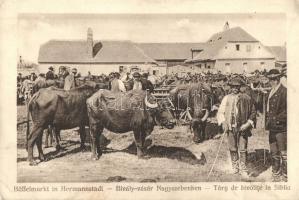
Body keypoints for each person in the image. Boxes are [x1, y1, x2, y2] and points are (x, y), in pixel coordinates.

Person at [217, 77, 256, 178]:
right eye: (233, 87)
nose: (235, 89)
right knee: (232, 148)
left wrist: (247, 124)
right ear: (230, 87)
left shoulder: (246, 98)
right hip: (230, 127)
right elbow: (220, 112)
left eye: (237, 87)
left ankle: (243, 169)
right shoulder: (226, 98)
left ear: (240, 87)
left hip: (242, 128)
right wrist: (223, 122)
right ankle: (235, 167)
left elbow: (253, 113)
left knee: (242, 148)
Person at [265, 69, 287, 182]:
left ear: (278, 79)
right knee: (274, 152)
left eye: (274, 79)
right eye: (270, 79)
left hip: (282, 128)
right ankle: (276, 173)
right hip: (272, 128)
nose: (271, 81)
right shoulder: (271, 91)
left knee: (284, 153)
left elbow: (288, 112)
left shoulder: (285, 92)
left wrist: (275, 120)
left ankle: (286, 175)